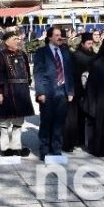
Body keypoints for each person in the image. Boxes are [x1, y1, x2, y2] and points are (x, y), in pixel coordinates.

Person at [33, 27, 74, 160]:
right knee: (46, 121)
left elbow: (69, 73)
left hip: (62, 91)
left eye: (61, 35)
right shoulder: (41, 52)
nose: (59, 37)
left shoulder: (65, 52)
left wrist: (70, 91)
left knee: (59, 122)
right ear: (49, 37)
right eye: (56, 35)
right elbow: (38, 73)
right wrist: (40, 92)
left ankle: (56, 148)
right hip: (47, 92)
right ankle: (44, 149)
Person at [0, 32, 33, 157]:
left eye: (18, 38)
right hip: (7, 91)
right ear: (7, 42)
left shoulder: (23, 55)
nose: (18, 41)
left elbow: (27, 73)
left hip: (21, 92)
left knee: (18, 121)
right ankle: (5, 148)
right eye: (14, 39)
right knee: (4, 122)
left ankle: (16, 147)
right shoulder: (0, 56)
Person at [63, 32, 95, 152]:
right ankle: (73, 140)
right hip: (78, 89)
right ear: (82, 44)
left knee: (86, 115)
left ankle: (82, 139)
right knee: (75, 117)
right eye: (88, 43)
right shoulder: (76, 55)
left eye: (91, 43)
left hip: (90, 90)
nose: (90, 45)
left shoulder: (94, 54)